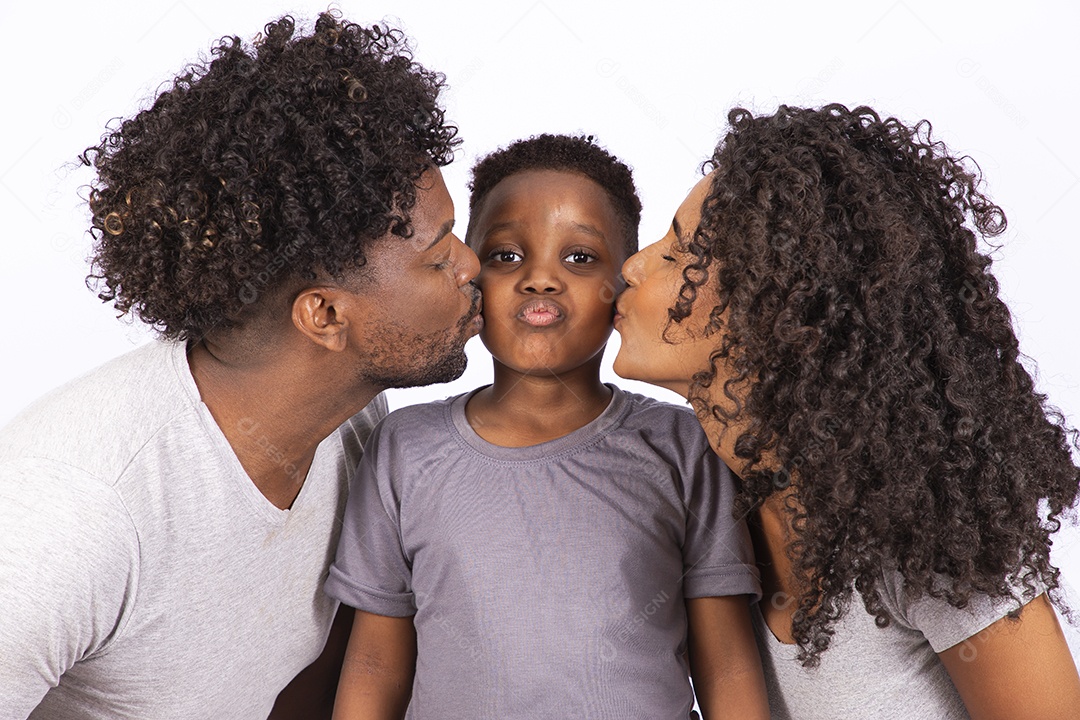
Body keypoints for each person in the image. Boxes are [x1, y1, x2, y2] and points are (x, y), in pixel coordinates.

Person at [0, 13, 482, 720]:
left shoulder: (353, 420)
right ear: (323, 316)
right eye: (439, 257)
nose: (473, 265)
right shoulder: (76, 513)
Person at [612, 103, 1080, 718]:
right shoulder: (703, 502)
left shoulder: (930, 537)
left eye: (678, 255)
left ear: (772, 315)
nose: (632, 266)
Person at [324, 134, 769, 719]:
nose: (540, 279)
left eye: (579, 258)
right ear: (468, 276)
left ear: (623, 286)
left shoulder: (683, 446)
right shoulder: (404, 448)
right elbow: (375, 665)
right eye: (507, 256)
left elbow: (728, 663)